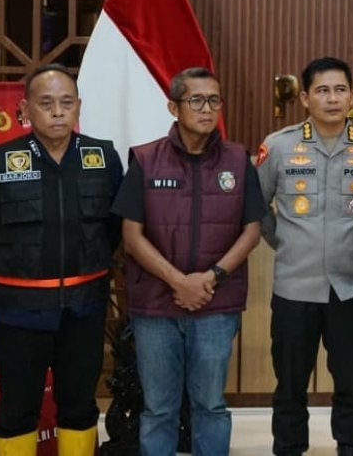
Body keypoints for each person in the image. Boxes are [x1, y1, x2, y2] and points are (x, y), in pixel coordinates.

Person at [0, 64, 123, 456]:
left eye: (66, 103)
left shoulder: (102, 157)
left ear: (78, 107)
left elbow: (115, 229)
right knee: (17, 410)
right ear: (25, 110)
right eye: (46, 103)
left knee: (80, 406)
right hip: (18, 313)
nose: (57, 112)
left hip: (84, 310)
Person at [110, 67, 264, 456]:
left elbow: (252, 230)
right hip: (156, 306)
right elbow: (131, 236)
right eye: (196, 100)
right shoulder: (145, 160)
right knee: (158, 407)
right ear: (173, 106)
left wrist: (211, 277)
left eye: (214, 100)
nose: (207, 109)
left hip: (216, 304)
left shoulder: (238, 159)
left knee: (209, 405)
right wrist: (179, 281)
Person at [257, 57, 353, 456]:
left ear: (352, 95)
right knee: (290, 381)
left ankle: (350, 446)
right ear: (305, 98)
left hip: (349, 288)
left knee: (350, 378)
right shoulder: (278, 146)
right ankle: (289, 447)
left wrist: (342, 242)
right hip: (294, 288)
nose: (332, 98)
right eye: (322, 90)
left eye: (340, 89)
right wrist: (290, 244)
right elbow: (258, 208)